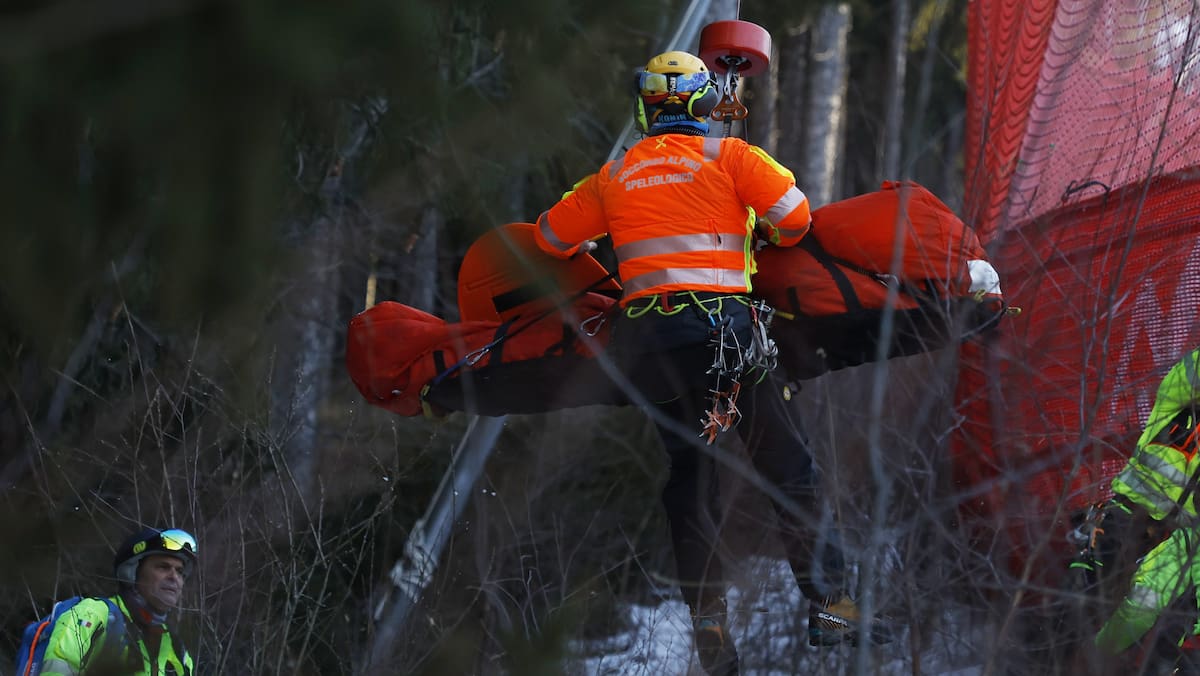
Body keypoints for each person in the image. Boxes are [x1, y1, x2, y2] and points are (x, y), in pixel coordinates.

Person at [533, 50, 886, 675]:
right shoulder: (731, 157)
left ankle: (710, 628)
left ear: (644, 108)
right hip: (726, 343)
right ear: (701, 105)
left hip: (649, 355)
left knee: (691, 482)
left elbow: (550, 237)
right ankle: (831, 605)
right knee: (789, 470)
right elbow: (797, 220)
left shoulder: (612, 177)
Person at [1073, 347, 1200, 666]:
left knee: (1148, 610)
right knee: (1079, 593)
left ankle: (1092, 661)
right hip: (1127, 513)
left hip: (1183, 541)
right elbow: (1188, 373)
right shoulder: (1177, 405)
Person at [39, 526, 197, 676]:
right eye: (163, 567)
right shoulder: (94, 615)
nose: (174, 577)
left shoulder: (175, 647)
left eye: (180, 571)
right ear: (132, 573)